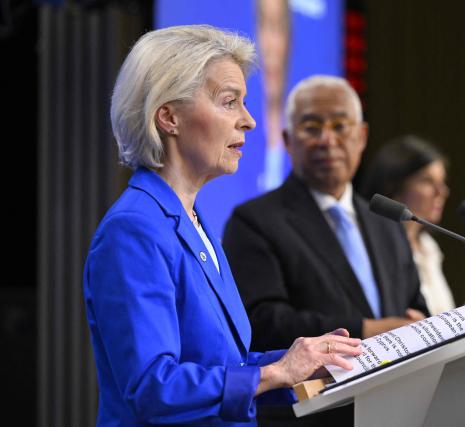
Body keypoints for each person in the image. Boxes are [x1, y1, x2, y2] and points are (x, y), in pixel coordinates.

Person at [83, 25, 361, 427]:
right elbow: (153, 388)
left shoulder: (192, 221)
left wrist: (304, 361)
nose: (248, 121)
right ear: (169, 116)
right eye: (229, 102)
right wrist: (276, 373)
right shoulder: (134, 231)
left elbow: (222, 364)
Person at [223, 76, 427, 350]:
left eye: (340, 126)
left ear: (362, 136)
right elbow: (261, 322)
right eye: (311, 127)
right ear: (288, 140)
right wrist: (365, 330)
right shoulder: (254, 222)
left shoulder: (387, 220)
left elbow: (414, 306)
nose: (327, 140)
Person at [361, 135, 465, 315]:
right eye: (427, 181)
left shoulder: (428, 246)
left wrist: (461, 317)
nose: (442, 192)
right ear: (393, 186)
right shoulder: (373, 247)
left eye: (442, 182)